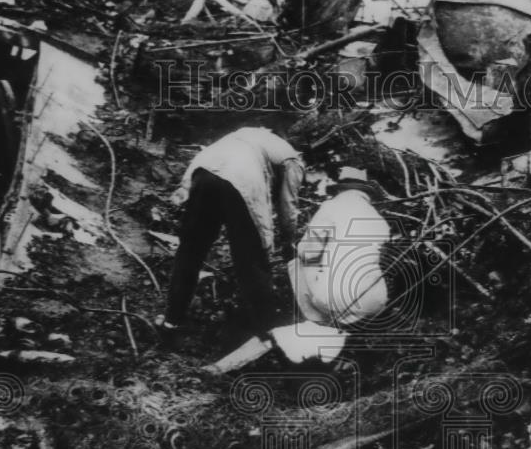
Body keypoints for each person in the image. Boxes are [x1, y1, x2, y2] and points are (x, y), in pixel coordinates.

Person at [158, 127, 304, 338]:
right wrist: (288, 244)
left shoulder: (248, 133)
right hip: (241, 178)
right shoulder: (292, 158)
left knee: (190, 252)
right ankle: (270, 333)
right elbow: (288, 207)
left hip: (202, 170)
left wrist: (185, 188)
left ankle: (172, 321)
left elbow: (208, 157)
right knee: (252, 260)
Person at [290, 168, 392, 328]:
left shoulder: (331, 206)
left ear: (340, 189)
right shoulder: (379, 219)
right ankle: (357, 320)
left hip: (339, 299)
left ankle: (318, 323)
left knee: (297, 263)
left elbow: (307, 252)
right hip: (375, 301)